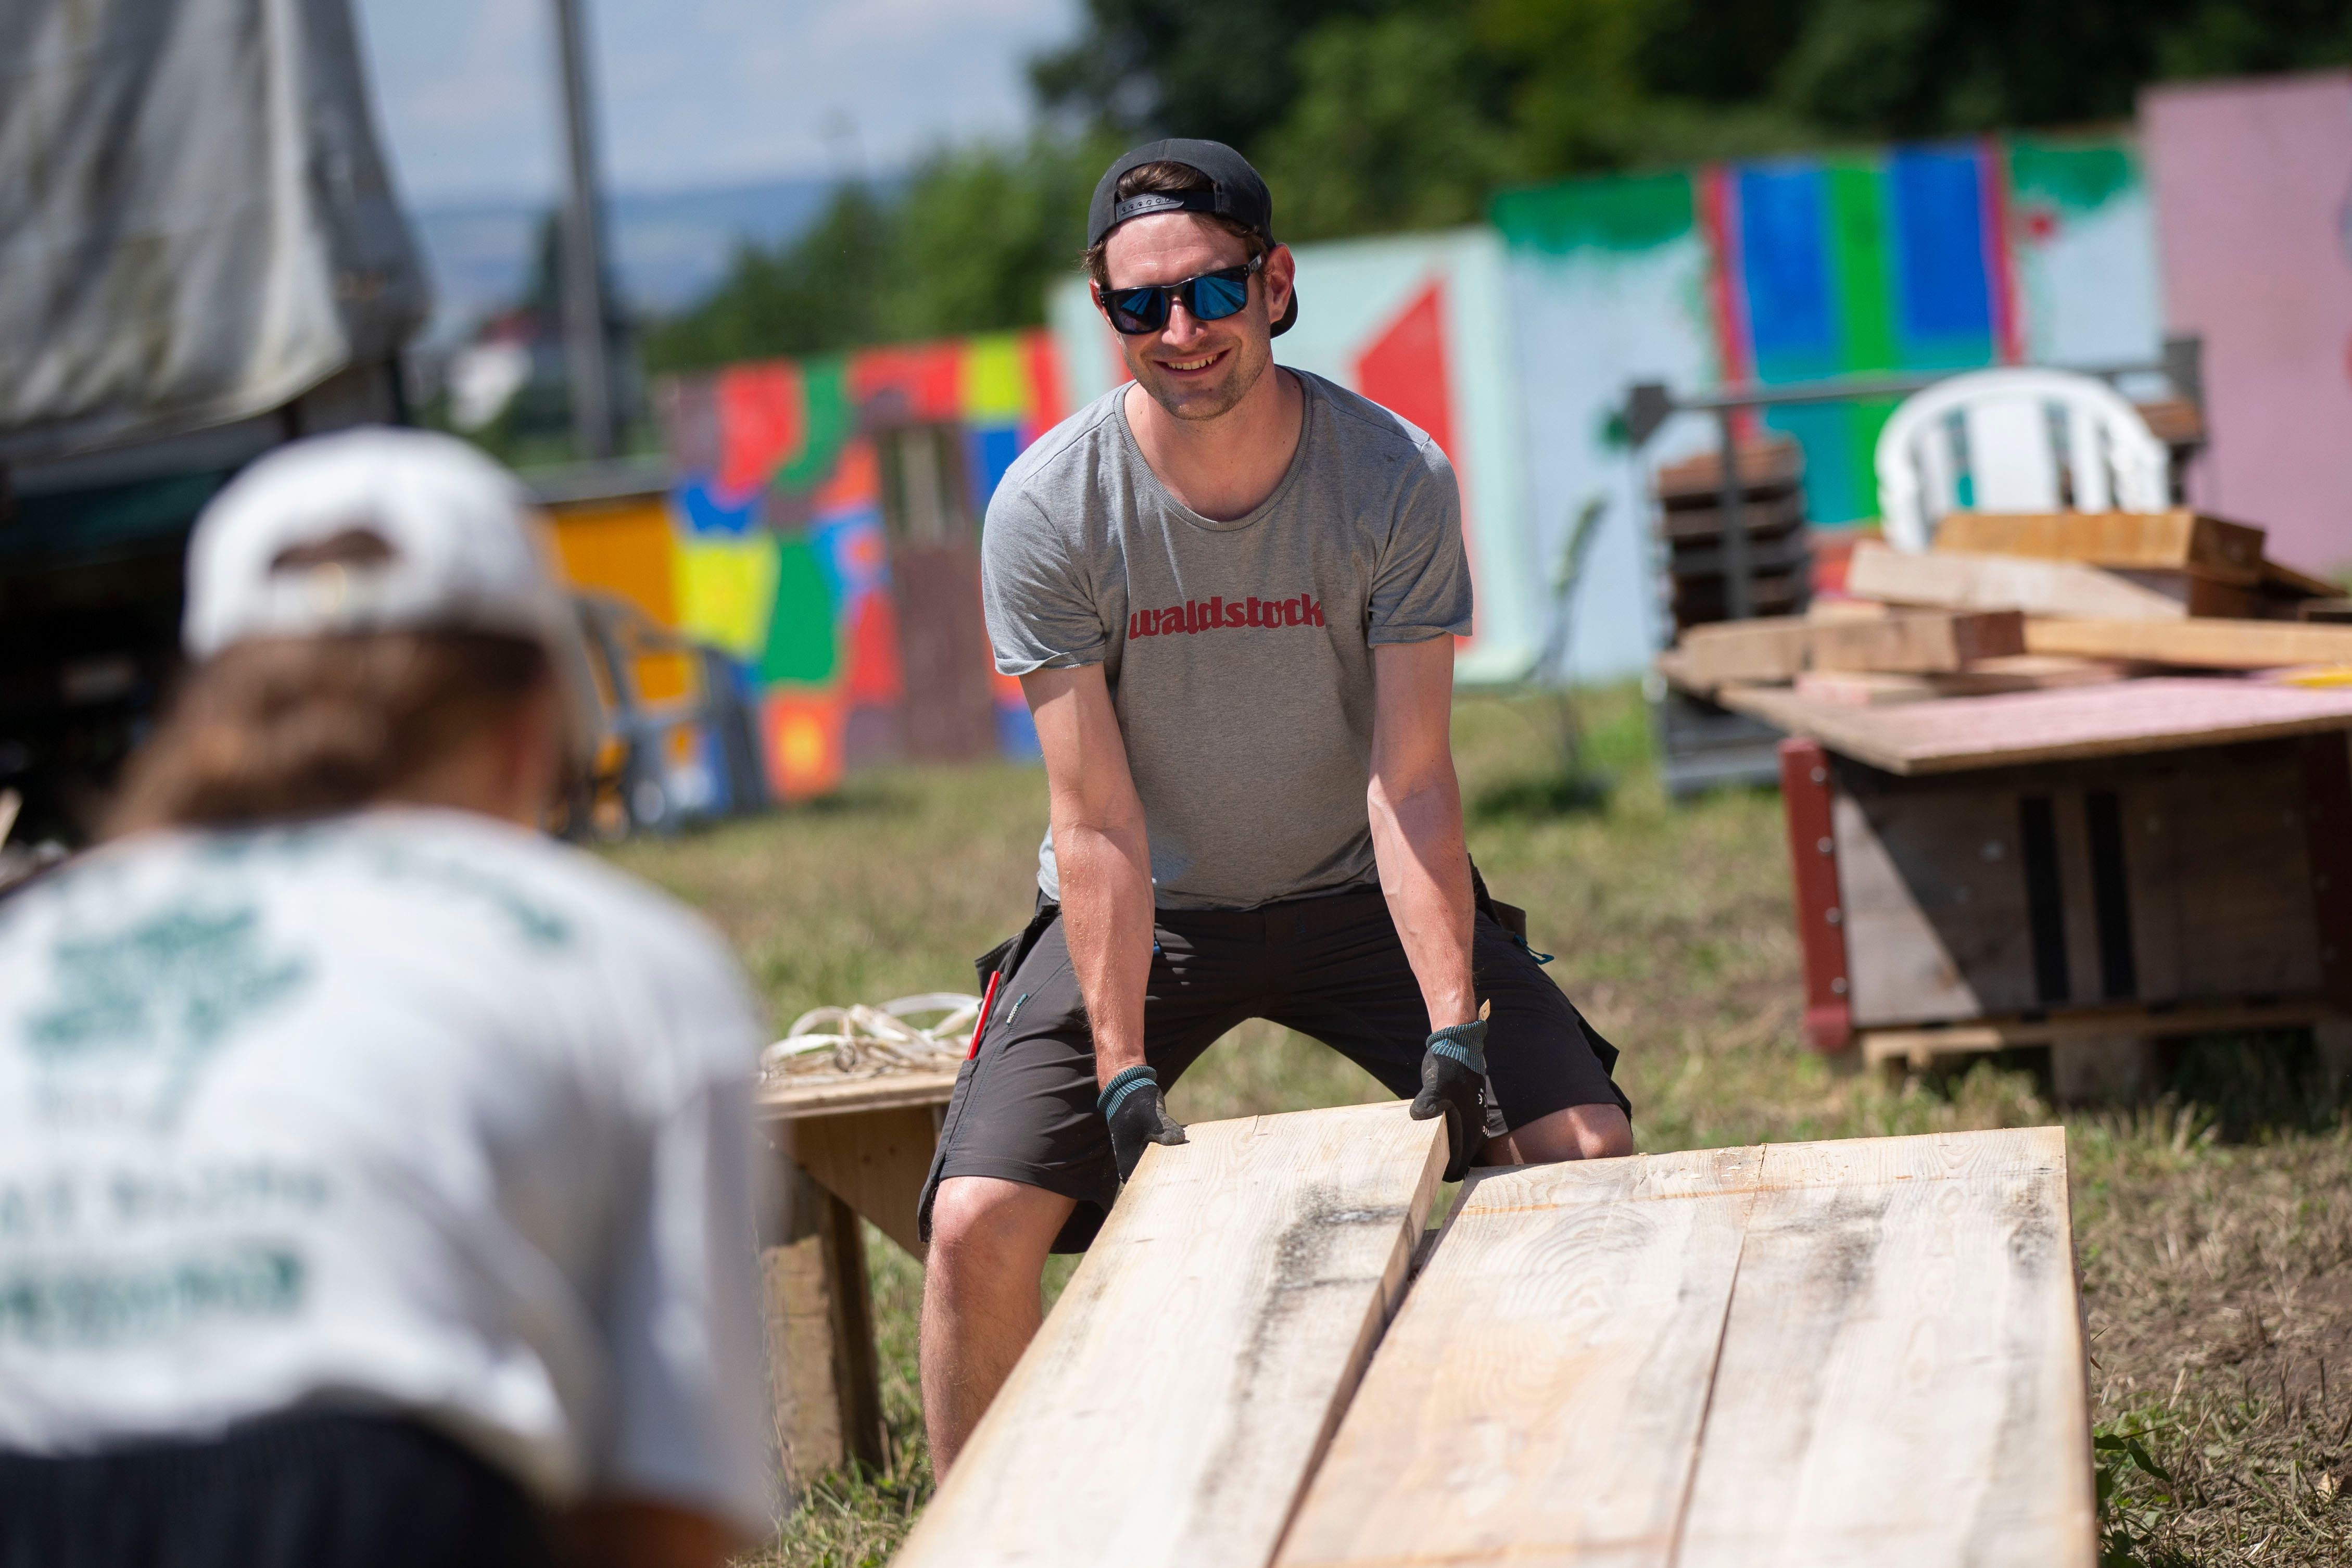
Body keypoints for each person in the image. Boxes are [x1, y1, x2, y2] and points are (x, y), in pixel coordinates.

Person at [916, 140, 1635, 1474]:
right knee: (973, 1229)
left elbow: (1411, 779)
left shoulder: (1392, 477)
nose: (1180, 332)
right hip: (1155, 911)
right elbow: (1096, 822)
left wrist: (1450, 1024)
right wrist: (1121, 1058)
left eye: (1211, 292)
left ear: (1277, 281)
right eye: (1142, 306)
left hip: (1361, 891)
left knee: (1584, 1151)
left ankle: (1550, 1477)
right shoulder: (1049, 510)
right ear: (1103, 310)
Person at [0, 429, 774, 1568]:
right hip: (380, 1505)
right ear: (533, 719)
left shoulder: (35, 942)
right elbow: (659, 1517)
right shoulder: (624, 962)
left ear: (207, 707)